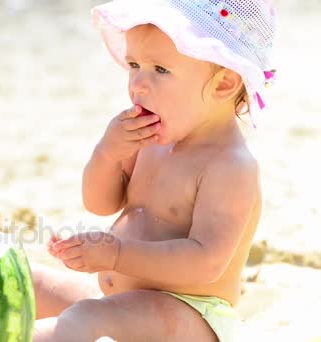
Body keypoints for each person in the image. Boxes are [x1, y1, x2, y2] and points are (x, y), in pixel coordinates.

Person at [32, 0, 276, 341]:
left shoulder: (229, 166)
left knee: (85, 319)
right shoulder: (151, 138)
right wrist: (107, 154)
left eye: (160, 70)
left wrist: (115, 254)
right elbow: (101, 203)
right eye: (134, 65)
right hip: (121, 304)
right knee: (27, 283)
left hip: (190, 315)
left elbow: (206, 262)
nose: (138, 85)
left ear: (223, 84)